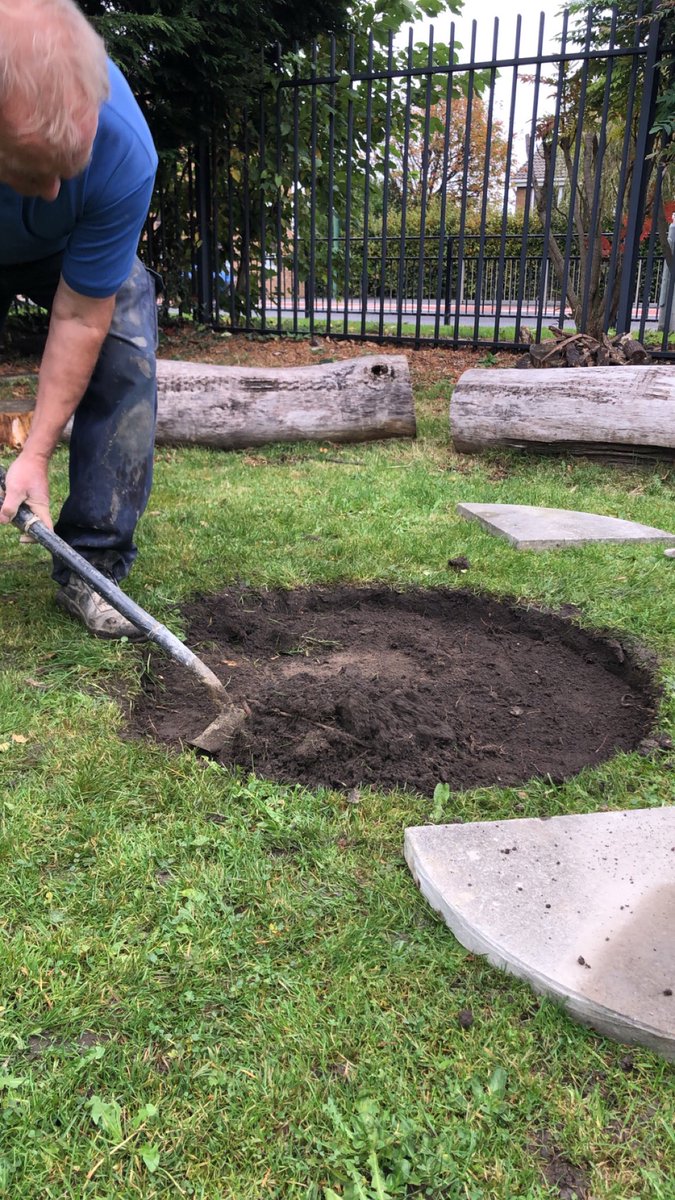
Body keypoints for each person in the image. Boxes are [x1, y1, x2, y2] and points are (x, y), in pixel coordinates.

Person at [0, 0, 158, 639]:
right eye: (32, 171)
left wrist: (34, 452)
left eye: (69, 169)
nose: (51, 195)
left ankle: (94, 561)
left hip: (64, 257)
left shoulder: (124, 151)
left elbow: (79, 317)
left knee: (124, 320)